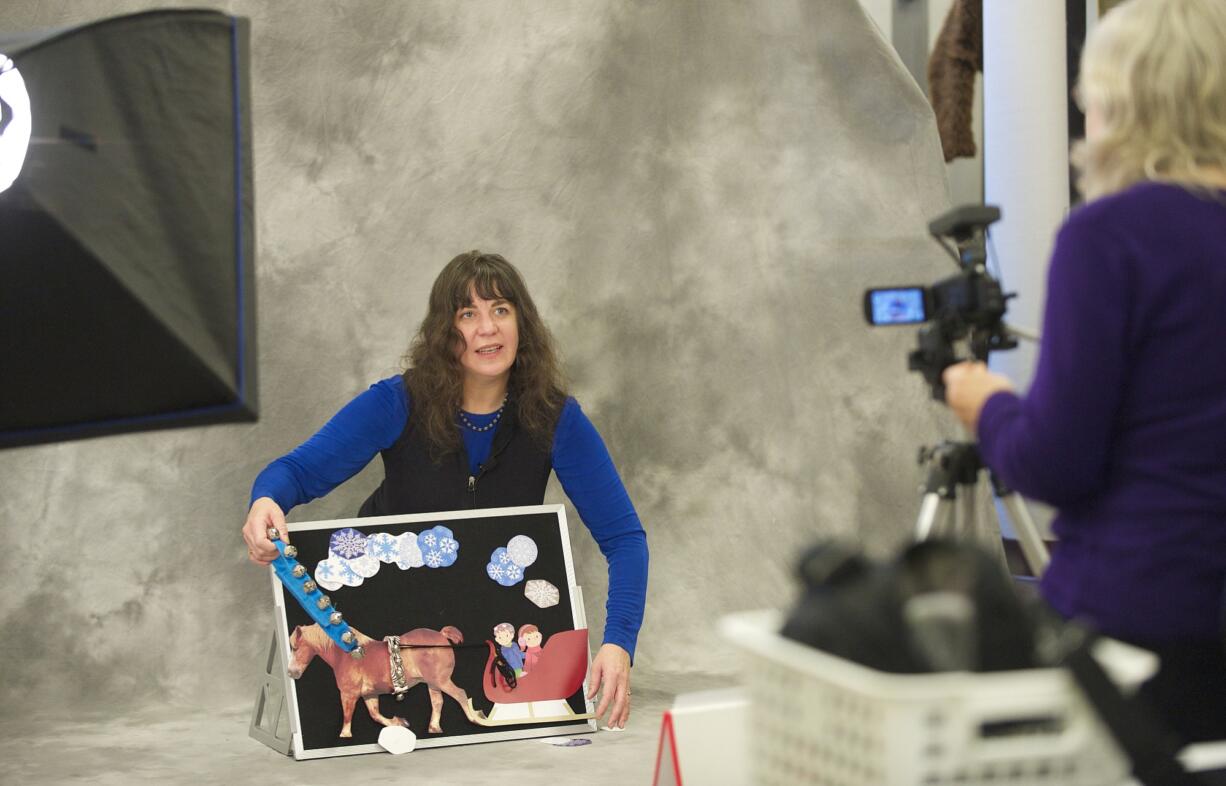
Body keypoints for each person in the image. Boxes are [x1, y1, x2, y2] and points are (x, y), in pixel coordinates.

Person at [943, 0, 1226, 743]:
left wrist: (988, 405)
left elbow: (1056, 463)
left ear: (1116, 101)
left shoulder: (1109, 237)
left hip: (1144, 616)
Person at [241, 251, 647, 730]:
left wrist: (619, 643)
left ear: (522, 325)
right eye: (467, 314)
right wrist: (265, 500)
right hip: (387, 610)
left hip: (480, 615)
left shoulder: (558, 418)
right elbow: (297, 471)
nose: (487, 329)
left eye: (501, 311)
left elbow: (624, 539)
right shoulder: (395, 402)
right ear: (444, 333)